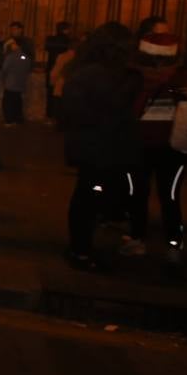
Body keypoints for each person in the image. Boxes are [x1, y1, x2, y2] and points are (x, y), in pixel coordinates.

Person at [58, 23, 141, 271]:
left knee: (88, 198)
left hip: (95, 148)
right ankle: (80, 250)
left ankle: (82, 247)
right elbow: (85, 112)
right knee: (88, 199)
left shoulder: (91, 72)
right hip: (97, 149)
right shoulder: (98, 75)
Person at [121, 33, 187, 262]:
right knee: (166, 196)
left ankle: (140, 239)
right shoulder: (182, 78)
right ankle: (172, 244)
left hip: (152, 146)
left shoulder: (136, 76)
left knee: (143, 194)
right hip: (166, 147)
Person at [0, 36, 32, 125]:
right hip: (21, 83)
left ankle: (9, 120)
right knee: (17, 102)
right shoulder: (26, 57)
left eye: (13, 44)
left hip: (10, 83)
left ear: (17, 45)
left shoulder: (11, 56)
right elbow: (28, 69)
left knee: (8, 102)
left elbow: (4, 68)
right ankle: (18, 119)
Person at [43, 21, 73, 119]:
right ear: (66, 30)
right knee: (62, 93)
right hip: (64, 69)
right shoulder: (69, 41)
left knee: (51, 93)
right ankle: (59, 116)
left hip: (52, 67)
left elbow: (47, 47)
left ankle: (49, 115)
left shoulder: (50, 39)